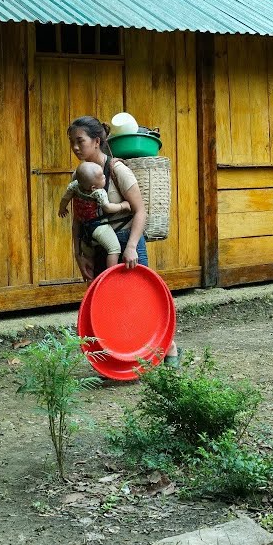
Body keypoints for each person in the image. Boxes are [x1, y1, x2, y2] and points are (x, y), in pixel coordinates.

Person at [67, 116, 181, 366]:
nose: (76, 147)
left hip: (125, 242)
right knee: (107, 305)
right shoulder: (78, 176)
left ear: (96, 141)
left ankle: (169, 347)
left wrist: (131, 247)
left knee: (139, 302)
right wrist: (79, 254)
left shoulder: (118, 170)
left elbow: (140, 211)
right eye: (72, 142)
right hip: (96, 246)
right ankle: (120, 358)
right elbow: (78, 218)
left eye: (80, 141)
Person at [58, 161, 133, 273]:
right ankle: (110, 275)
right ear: (93, 187)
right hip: (99, 227)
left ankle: (91, 280)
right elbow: (107, 208)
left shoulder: (75, 186)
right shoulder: (98, 192)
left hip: (85, 230)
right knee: (114, 249)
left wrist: (62, 208)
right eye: (102, 177)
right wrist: (123, 205)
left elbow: (65, 198)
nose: (104, 177)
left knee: (89, 256)